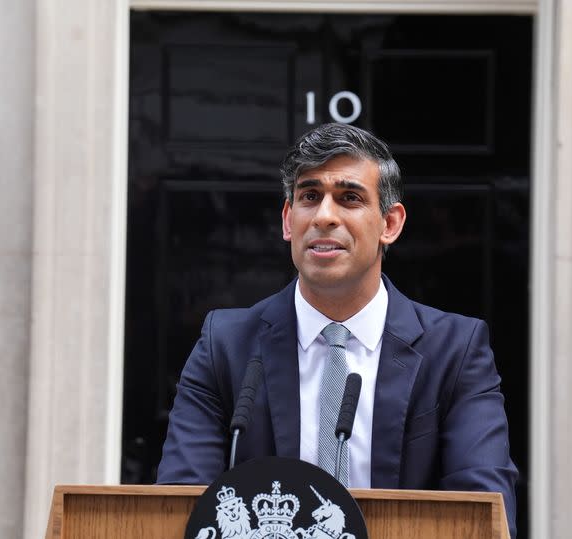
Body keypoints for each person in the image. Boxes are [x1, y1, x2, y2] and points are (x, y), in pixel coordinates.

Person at [157, 123, 518, 537]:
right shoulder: (226, 345)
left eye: (349, 198)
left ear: (390, 224)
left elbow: (483, 516)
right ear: (289, 220)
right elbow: (181, 504)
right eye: (310, 196)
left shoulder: (455, 350)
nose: (325, 216)